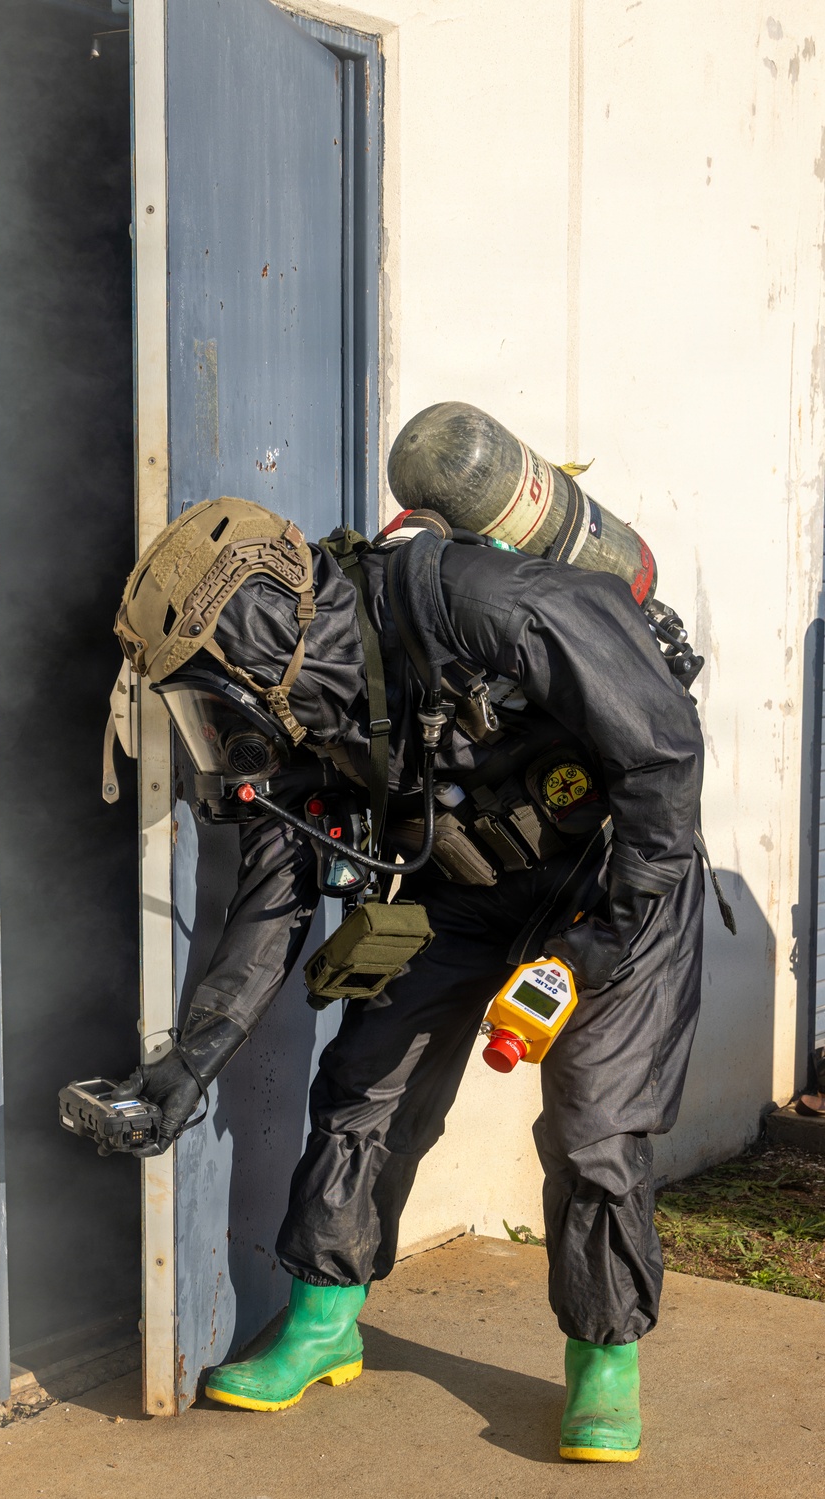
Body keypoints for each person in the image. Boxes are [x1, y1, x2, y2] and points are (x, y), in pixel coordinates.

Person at [110, 430, 720, 1463]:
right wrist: (193, 1057)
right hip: (461, 888)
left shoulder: (480, 604)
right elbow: (271, 902)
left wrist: (599, 944)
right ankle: (321, 1322)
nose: (222, 726)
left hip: (613, 879)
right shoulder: (297, 720)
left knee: (595, 1132)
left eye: (217, 693)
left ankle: (602, 1359)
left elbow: (661, 753)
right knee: (364, 1083)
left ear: (271, 642)